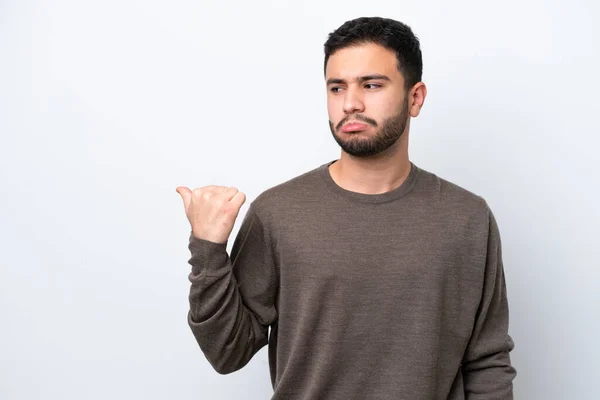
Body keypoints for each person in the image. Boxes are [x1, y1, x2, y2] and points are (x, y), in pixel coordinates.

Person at [176, 16, 517, 400]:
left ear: (415, 97)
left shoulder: (468, 218)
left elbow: (487, 363)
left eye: (371, 85)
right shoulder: (278, 213)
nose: (350, 104)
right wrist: (208, 249)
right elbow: (227, 352)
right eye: (337, 88)